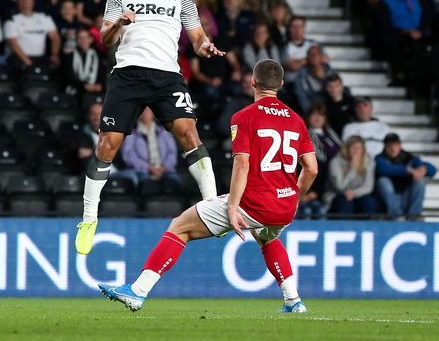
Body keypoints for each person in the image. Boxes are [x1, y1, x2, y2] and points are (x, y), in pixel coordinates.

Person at [98, 59, 318, 314]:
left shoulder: (244, 117)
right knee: (266, 237)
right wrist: (294, 197)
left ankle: (138, 291)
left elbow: (242, 164)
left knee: (180, 227)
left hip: (253, 203)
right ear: (280, 84)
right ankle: (293, 301)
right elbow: (311, 168)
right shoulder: (296, 119)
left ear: (252, 82)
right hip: (284, 207)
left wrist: (233, 207)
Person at [75, 0, 225, 256]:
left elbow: (197, 40)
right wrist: (120, 23)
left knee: (190, 134)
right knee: (107, 145)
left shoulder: (181, 0)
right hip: (128, 74)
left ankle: (212, 206)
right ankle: (89, 219)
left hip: (167, 77)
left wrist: (205, 46)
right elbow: (104, 39)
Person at [375, 133, 435, 220]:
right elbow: (383, 169)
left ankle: (414, 217)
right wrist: (407, 170)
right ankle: (397, 218)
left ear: (400, 145)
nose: (392, 149)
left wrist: (424, 168)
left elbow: (432, 170)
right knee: (383, 181)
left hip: (406, 197)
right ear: (385, 147)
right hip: (389, 203)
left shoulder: (409, 158)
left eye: (395, 145)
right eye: (389, 146)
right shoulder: (380, 158)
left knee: (420, 181)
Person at [120, 107, 181, 186]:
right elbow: (128, 155)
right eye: (143, 110)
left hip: (165, 171)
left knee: (174, 182)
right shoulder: (131, 133)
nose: (145, 113)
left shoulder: (164, 132)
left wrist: (164, 168)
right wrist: (148, 168)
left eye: (148, 110)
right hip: (141, 171)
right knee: (147, 184)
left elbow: (172, 152)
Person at [301, 103, 341, 219]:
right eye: (314, 115)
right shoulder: (305, 134)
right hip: (316, 182)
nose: (317, 118)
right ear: (309, 117)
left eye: (321, 115)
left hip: (333, 178)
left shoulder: (331, 133)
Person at [4, 0, 61, 68]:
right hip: (20, 58)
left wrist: (54, 54)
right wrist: (28, 62)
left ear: (33, 0)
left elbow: (55, 37)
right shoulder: (11, 20)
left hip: (40, 58)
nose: (25, 0)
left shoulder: (44, 17)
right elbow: (13, 44)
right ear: (17, 0)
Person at [328, 135, 377, 216]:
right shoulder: (335, 162)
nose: (356, 151)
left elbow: (368, 187)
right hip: (338, 195)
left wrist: (354, 193)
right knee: (346, 202)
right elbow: (340, 187)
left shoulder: (369, 162)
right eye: (353, 148)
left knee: (370, 202)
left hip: (359, 194)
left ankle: (369, 227)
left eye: (359, 148)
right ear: (346, 149)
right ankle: (344, 228)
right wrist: (353, 169)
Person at [294, 45, 333, 114]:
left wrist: (323, 79)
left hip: (328, 105)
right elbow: (300, 94)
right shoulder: (301, 73)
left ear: (321, 57)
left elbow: (335, 90)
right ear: (307, 58)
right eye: (311, 54)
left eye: (316, 54)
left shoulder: (329, 71)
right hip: (310, 107)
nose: (314, 56)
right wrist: (309, 112)